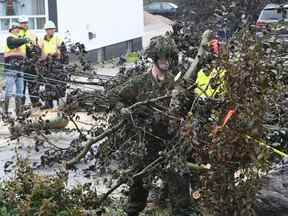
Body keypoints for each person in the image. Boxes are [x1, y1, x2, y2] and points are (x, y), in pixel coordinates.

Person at [111, 36, 200, 216]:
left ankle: (182, 211)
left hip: (169, 142)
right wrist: (123, 110)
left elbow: (184, 109)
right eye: (162, 57)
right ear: (155, 58)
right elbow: (115, 97)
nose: (166, 62)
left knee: (180, 180)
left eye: (169, 58)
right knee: (139, 185)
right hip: (146, 142)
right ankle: (133, 212)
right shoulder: (139, 83)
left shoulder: (174, 84)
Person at [3, 22, 30, 119]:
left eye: (18, 28)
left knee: (20, 91)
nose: (18, 29)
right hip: (10, 68)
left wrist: (16, 51)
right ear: (11, 29)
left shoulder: (20, 40)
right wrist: (17, 50)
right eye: (16, 28)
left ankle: (19, 113)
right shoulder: (10, 38)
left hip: (20, 69)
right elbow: (10, 49)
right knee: (9, 91)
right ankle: (5, 112)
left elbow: (23, 55)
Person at [40, 20, 67, 109]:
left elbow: (63, 51)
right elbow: (39, 52)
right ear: (46, 30)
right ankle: (49, 104)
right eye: (49, 29)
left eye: (52, 29)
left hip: (57, 64)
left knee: (59, 84)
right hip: (47, 64)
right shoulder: (42, 40)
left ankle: (60, 104)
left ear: (54, 30)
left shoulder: (57, 39)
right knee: (48, 84)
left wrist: (64, 63)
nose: (51, 31)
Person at [18, 16, 41, 107]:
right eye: (22, 23)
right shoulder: (17, 34)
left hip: (31, 62)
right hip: (21, 62)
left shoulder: (32, 33)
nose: (24, 24)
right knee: (21, 85)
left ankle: (35, 101)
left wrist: (35, 59)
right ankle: (21, 103)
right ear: (19, 24)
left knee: (33, 82)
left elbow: (37, 47)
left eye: (26, 22)